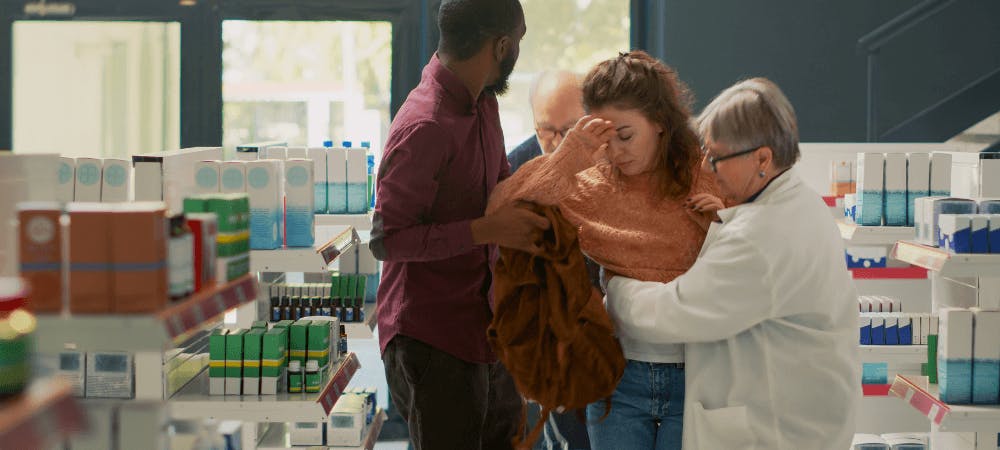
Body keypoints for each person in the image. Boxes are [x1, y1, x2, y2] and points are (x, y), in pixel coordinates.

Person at [604, 78, 861, 450]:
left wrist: (616, 286)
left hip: (776, 432)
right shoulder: (798, 204)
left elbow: (674, 313)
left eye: (718, 157)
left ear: (762, 158)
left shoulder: (763, 236)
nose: (709, 168)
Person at [488, 51, 719, 450]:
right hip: (618, 381)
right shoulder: (587, 175)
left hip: (700, 377)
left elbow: (761, 253)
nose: (615, 152)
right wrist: (571, 150)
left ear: (661, 123)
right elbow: (498, 211)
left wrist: (725, 226)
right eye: (605, 138)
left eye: (626, 136)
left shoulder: (704, 176)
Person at [370, 1, 549, 449]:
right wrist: (488, 230)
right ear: (502, 46)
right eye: (520, 42)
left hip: (484, 327)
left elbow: (499, 186)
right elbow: (387, 239)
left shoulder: (482, 102)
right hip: (431, 338)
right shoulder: (425, 124)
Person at [508, 70, 586, 173]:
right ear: (534, 120)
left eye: (569, 129)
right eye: (547, 129)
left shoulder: (608, 157)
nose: (558, 144)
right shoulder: (513, 168)